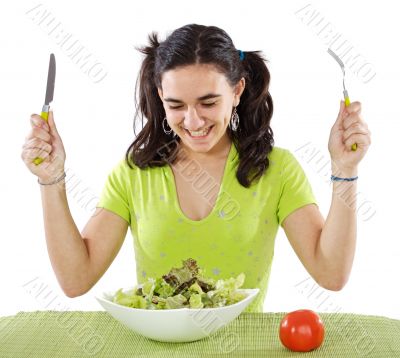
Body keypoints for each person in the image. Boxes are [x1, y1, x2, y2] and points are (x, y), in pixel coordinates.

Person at [21, 23, 371, 313]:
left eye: (208, 102)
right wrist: (51, 180)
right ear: (160, 96)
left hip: (243, 349)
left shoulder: (277, 170)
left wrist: (345, 169)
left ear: (237, 91)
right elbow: (75, 279)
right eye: (176, 105)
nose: (192, 120)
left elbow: (331, 274)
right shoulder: (133, 174)